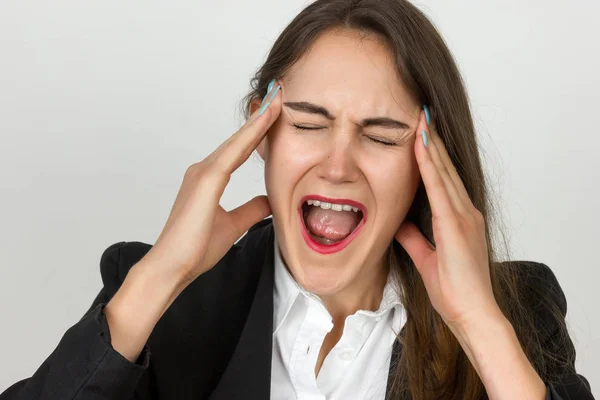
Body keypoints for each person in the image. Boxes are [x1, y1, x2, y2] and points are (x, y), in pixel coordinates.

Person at [0, 0, 595, 399]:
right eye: (309, 123)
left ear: (430, 168)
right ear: (259, 133)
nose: (337, 165)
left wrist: (478, 323)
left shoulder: (518, 311)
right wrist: (162, 276)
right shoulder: (157, 305)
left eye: (382, 133)